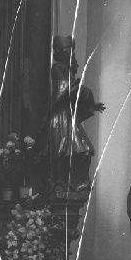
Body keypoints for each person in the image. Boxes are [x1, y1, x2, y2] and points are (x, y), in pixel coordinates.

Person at [48, 36, 105, 193]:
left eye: (72, 51)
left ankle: (77, 183)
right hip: (60, 118)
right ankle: (63, 181)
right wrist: (85, 93)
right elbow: (67, 89)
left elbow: (74, 90)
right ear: (60, 52)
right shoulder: (57, 69)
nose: (71, 53)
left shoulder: (67, 70)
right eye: (68, 50)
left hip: (68, 116)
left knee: (84, 149)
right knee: (65, 150)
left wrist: (90, 104)